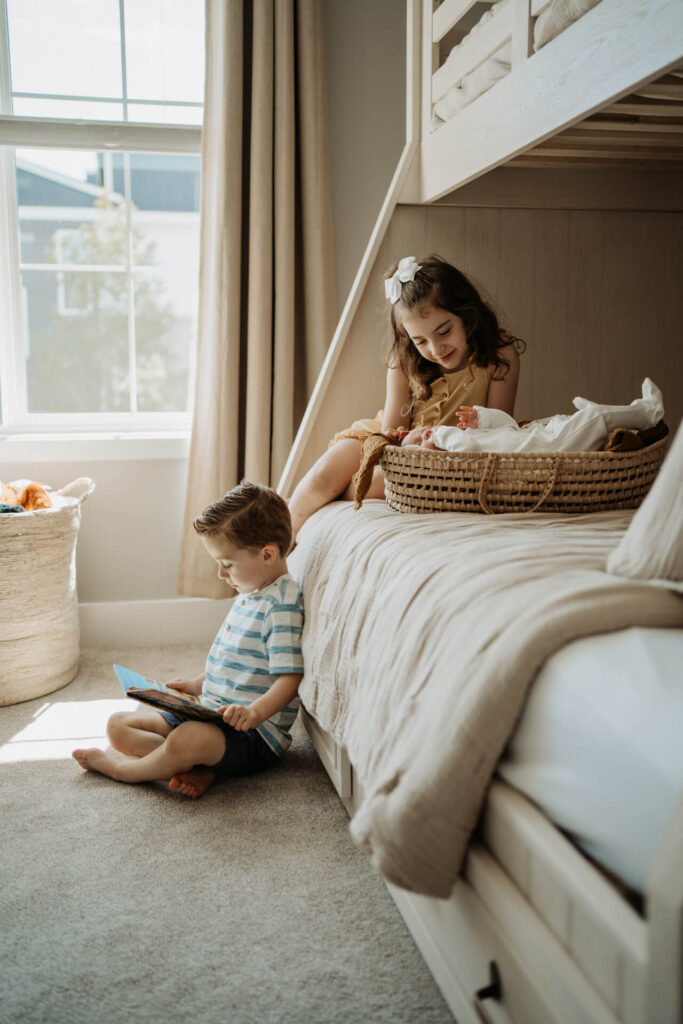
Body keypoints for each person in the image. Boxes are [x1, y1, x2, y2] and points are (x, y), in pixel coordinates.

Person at [72, 481, 304, 799]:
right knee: (119, 724)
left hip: (252, 734)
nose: (222, 575)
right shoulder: (254, 592)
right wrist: (198, 684)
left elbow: (290, 678)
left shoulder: (281, 605)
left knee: (190, 738)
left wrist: (256, 713)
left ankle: (121, 771)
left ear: (267, 554)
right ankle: (198, 767)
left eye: (227, 565)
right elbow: (239, 659)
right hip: (212, 711)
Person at [287, 254, 523, 541]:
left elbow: (501, 432)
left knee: (385, 484)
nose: (435, 349)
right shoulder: (403, 360)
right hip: (391, 445)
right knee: (321, 477)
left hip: (445, 456)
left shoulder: (499, 354)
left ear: (467, 314)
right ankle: (281, 538)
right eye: (421, 341)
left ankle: (344, 488)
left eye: (443, 331)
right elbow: (389, 434)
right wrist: (408, 438)